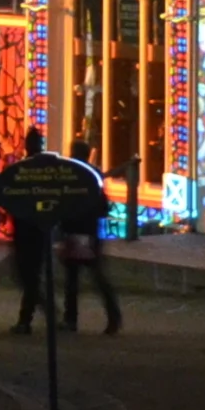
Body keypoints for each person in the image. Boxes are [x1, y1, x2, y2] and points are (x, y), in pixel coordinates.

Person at [59, 134, 122, 335]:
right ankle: (113, 317)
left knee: (74, 278)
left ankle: (71, 319)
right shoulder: (93, 175)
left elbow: (64, 202)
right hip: (89, 231)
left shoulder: (70, 174)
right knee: (93, 275)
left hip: (76, 230)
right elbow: (103, 206)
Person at [1, 127, 57, 334]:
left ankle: (29, 318)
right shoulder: (45, 171)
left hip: (26, 229)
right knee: (30, 275)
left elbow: (10, 195)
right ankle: (41, 313)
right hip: (38, 229)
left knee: (28, 276)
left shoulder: (23, 170)